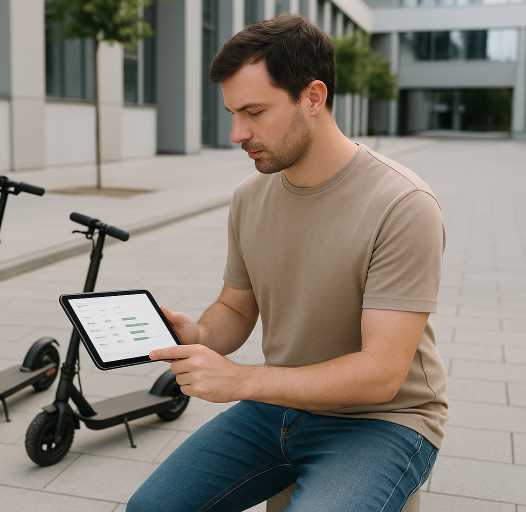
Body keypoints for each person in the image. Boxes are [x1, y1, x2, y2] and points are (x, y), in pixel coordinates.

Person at [127, 14, 447, 512]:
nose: (237, 133)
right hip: (278, 405)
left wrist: (242, 380)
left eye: (254, 111)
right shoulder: (249, 197)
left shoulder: (402, 204)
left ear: (313, 97)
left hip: (383, 420)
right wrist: (197, 335)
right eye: (233, 113)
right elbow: (236, 308)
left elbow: (382, 373)